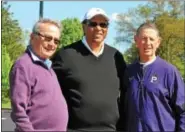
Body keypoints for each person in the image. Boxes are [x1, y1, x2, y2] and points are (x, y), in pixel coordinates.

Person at [51, 8, 127, 131]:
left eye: (103, 24)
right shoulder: (66, 55)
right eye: (93, 23)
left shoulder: (116, 56)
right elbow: (51, 93)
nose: (98, 28)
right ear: (84, 27)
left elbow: (125, 93)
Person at [9, 18, 68, 131]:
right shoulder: (23, 66)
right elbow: (19, 111)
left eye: (56, 41)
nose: (52, 44)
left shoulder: (48, 67)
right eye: (47, 38)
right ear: (32, 37)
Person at [126, 22, 185, 131]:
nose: (147, 43)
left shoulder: (169, 71)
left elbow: (182, 111)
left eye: (151, 39)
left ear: (158, 42)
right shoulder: (128, 72)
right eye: (143, 38)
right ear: (136, 41)